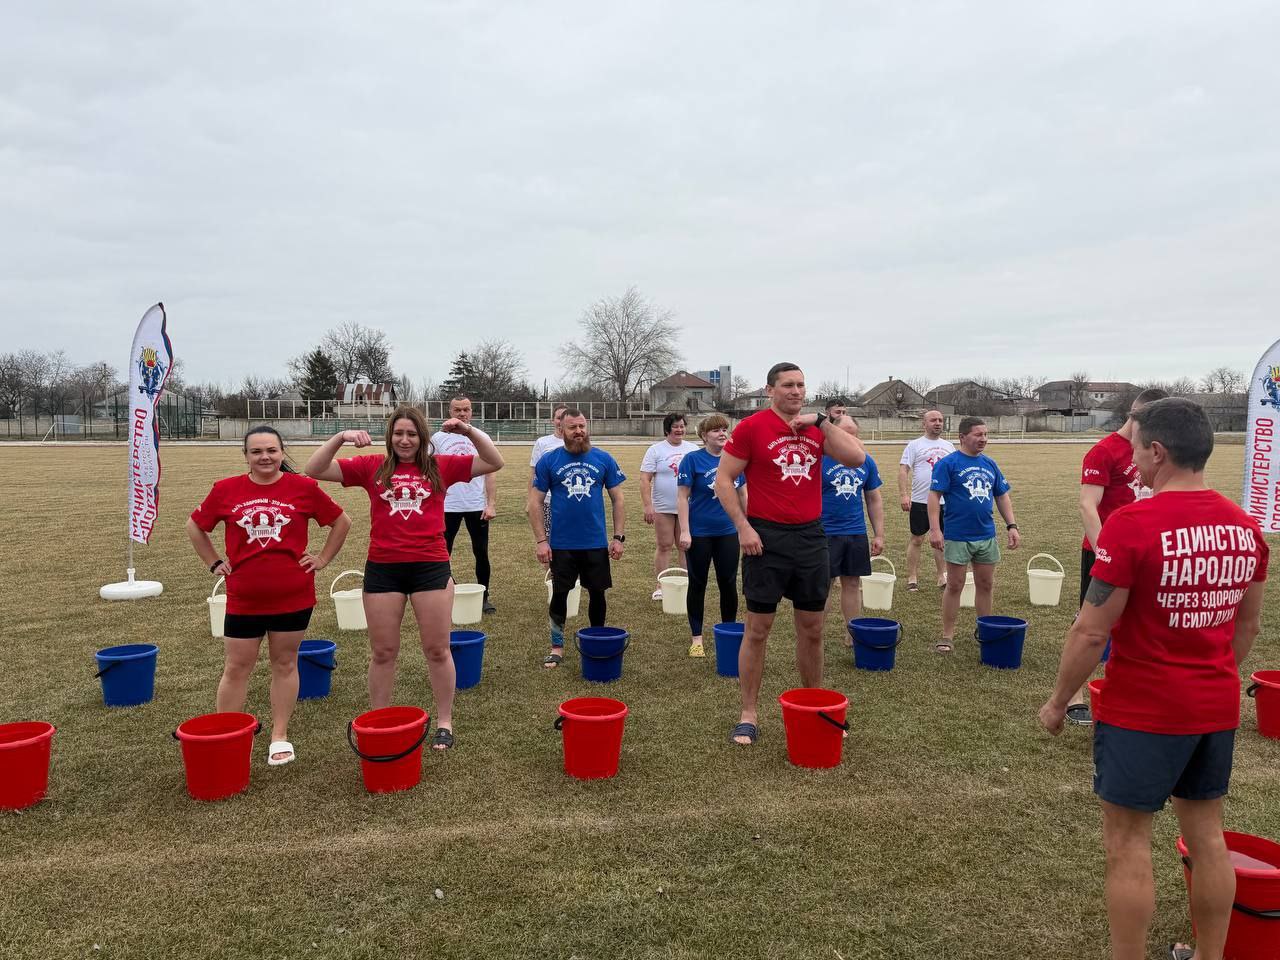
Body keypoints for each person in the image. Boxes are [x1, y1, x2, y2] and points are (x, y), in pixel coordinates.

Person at [1038, 398, 1267, 960]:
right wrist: (1211, 676)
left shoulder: (1133, 524)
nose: (1132, 460)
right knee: (1208, 837)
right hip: (1212, 705)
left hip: (1142, 709)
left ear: (1158, 452)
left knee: (1127, 841)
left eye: (1137, 447)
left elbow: (1091, 632)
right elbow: (1248, 623)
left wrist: (1057, 701)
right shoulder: (1245, 528)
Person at [304, 406, 504, 750]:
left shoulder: (441, 467)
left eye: (412, 434)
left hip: (431, 567)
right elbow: (314, 469)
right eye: (399, 433)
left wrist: (467, 430)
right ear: (389, 436)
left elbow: (493, 460)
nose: (405, 440)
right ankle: (379, 720)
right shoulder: (373, 467)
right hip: (384, 569)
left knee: (437, 649)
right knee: (383, 651)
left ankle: (444, 720)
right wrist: (340, 437)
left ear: (422, 437)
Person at [715, 362, 866, 745]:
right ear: (770, 390)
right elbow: (723, 480)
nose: (795, 391)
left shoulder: (817, 429)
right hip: (765, 537)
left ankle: (813, 705)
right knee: (758, 629)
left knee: (812, 629)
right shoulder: (752, 428)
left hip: (812, 537)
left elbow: (857, 458)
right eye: (787, 385)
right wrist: (744, 527)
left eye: (801, 385)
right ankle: (748, 713)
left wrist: (823, 423)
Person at [187, 426, 352, 767]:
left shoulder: (303, 487)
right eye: (257, 451)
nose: (265, 457)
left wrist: (321, 559)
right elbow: (195, 526)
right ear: (245, 456)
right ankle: (227, 735)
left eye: (272, 451)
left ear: (281, 453)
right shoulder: (225, 489)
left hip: (293, 596)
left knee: (284, 663)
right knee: (236, 667)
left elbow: (341, 522)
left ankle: (279, 735)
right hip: (244, 598)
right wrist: (214, 562)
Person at [1067, 387, 1170, 724]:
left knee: (1140, 623)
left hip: (1146, 553)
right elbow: (1087, 505)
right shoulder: (1104, 452)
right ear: (1135, 415)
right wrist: (1105, 554)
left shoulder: (1158, 451)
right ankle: (1074, 697)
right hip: (1104, 553)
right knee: (1090, 624)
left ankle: (1131, 690)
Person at [527, 409, 626, 668]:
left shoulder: (603, 458)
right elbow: (535, 503)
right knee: (560, 593)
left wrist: (618, 538)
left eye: (582, 426)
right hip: (562, 544)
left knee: (597, 593)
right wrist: (541, 540)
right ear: (561, 429)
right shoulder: (549, 461)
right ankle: (556, 646)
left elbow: (618, 499)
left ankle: (596, 641)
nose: (579, 431)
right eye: (573, 427)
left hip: (595, 542)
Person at [927, 417, 1020, 653]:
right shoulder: (948, 464)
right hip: (958, 536)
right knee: (955, 585)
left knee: (986, 584)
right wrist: (936, 529)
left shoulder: (990, 464)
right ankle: (947, 635)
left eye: (986, 435)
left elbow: (1002, 496)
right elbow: (934, 497)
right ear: (962, 437)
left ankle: (985, 631)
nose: (983, 439)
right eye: (978, 435)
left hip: (986, 536)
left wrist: (1012, 525)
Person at [676, 413, 746, 658]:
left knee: (728, 583)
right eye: (716, 430)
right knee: (698, 584)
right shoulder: (692, 460)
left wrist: (746, 526)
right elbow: (682, 497)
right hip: (700, 533)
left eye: (725, 429)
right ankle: (697, 639)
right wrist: (685, 530)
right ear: (704, 435)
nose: (722, 433)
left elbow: (743, 495)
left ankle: (727, 634)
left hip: (727, 532)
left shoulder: (735, 460)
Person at [431, 395, 497, 614]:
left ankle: (484, 596)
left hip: (476, 505)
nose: (462, 413)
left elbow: (490, 473)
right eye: (457, 410)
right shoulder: (438, 439)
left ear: (471, 411)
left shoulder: (480, 437)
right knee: (442, 553)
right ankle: (446, 593)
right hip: (447, 506)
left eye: (466, 409)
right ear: (450, 411)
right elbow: (427, 470)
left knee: (481, 552)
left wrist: (491, 504)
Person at [821, 415, 885, 636]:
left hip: (855, 532)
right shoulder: (820, 459)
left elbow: (873, 498)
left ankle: (852, 632)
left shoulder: (865, 461)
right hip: (824, 533)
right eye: (844, 433)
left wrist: (879, 534)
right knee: (824, 585)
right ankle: (815, 633)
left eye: (853, 434)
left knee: (852, 583)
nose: (849, 439)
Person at [640, 413, 699, 600]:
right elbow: (645, 479)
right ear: (667, 429)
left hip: (688, 507)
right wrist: (648, 506)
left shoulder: (693, 448)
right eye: (675, 426)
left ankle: (686, 584)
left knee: (685, 545)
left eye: (682, 426)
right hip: (663, 507)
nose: (679, 430)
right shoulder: (656, 450)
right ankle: (661, 585)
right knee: (664, 545)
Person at [899, 410, 955, 590]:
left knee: (940, 540)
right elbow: (903, 470)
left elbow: (955, 472)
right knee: (917, 539)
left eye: (940, 420)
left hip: (944, 502)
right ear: (924, 424)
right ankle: (912, 578)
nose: (937, 423)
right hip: (920, 501)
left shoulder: (949, 446)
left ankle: (942, 576)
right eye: (933, 420)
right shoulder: (914, 445)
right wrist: (904, 494)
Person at [529, 405, 568, 570]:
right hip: (547, 501)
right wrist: (530, 501)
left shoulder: (578, 442)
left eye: (565, 418)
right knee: (548, 543)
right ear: (553, 420)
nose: (561, 422)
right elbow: (533, 473)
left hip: (570, 501)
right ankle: (552, 580)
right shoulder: (542, 442)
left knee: (571, 542)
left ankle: (574, 581)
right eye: (558, 417)